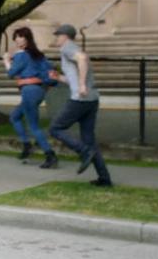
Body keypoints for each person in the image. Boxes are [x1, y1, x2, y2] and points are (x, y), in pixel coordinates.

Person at [48, 24, 112, 187]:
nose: (56, 38)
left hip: (80, 99)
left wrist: (82, 84)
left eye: (58, 35)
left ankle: (84, 152)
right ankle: (104, 179)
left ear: (65, 36)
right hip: (92, 100)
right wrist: (59, 78)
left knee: (55, 128)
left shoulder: (67, 48)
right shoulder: (72, 48)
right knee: (89, 140)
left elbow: (82, 59)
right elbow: (74, 77)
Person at [3, 27, 58, 169]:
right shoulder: (38, 55)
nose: (16, 39)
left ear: (26, 39)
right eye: (15, 36)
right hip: (38, 91)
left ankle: (49, 154)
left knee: (33, 126)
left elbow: (11, 73)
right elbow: (50, 74)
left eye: (20, 36)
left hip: (29, 91)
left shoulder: (21, 55)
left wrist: (6, 61)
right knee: (15, 116)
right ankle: (26, 144)